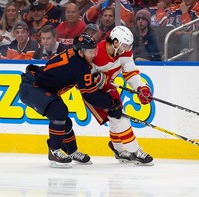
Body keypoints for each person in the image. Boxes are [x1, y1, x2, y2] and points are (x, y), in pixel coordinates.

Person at [18, 33, 121, 168]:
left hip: (39, 86)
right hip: (32, 88)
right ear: (81, 52)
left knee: (64, 121)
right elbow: (90, 95)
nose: (93, 54)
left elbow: (77, 80)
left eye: (94, 50)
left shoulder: (76, 57)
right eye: (90, 52)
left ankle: (71, 151)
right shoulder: (79, 66)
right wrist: (111, 103)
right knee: (59, 111)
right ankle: (54, 151)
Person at [88, 25, 154, 165]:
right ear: (116, 42)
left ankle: (118, 150)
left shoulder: (124, 53)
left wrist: (140, 88)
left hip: (109, 88)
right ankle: (135, 151)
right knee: (118, 116)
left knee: (116, 117)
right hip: (91, 92)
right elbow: (82, 78)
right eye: (125, 45)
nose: (128, 50)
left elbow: (130, 72)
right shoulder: (96, 52)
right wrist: (95, 80)